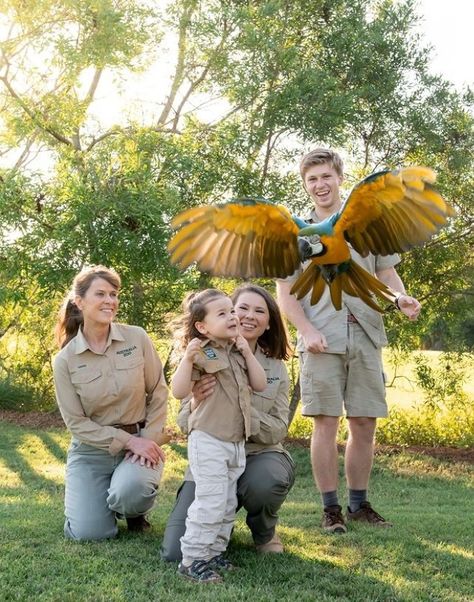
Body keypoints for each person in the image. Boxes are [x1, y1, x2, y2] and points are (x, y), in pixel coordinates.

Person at [276, 148, 421, 534]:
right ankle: (331, 509)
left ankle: (359, 504)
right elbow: (286, 293)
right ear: (305, 185)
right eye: (312, 179)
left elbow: (387, 274)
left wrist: (400, 299)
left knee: (364, 422)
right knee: (324, 423)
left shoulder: (365, 222)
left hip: (367, 331)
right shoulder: (297, 234)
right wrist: (306, 331)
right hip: (321, 337)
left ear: (339, 178)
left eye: (326, 176)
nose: (320, 185)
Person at [161, 284, 295, 565]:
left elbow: (278, 430)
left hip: (257, 454)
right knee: (175, 551)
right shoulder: (205, 355)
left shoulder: (274, 367)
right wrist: (198, 402)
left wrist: (241, 411)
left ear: (269, 323)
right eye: (239, 308)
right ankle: (202, 553)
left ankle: (264, 533)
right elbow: (184, 421)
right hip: (211, 451)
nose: (246, 316)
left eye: (259, 311)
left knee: (265, 481)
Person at [53, 265, 169, 541]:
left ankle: (132, 508)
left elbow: (158, 391)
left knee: (131, 492)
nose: (110, 301)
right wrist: (127, 442)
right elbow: (76, 423)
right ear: (79, 302)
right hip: (91, 452)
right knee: (89, 533)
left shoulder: (136, 337)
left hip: (141, 437)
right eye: (101, 294)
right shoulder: (65, 360)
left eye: (114, 294)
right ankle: (97, 504)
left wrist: (148, 441)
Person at [170, 288, 267, 583]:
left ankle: (214, 553)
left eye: (231, 310)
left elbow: (260, 385)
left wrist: (248, 352)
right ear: (202, 326)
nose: (233, 316)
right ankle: (193, 559)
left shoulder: (238, 350)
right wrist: (187, 360)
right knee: (210, 501)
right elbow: (178, 391)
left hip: (235, 442)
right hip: (209, 439)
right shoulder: (202, 351)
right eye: (223, 313)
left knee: (226, 504)